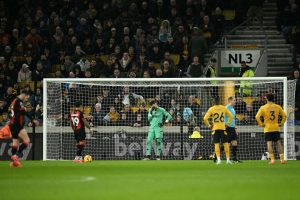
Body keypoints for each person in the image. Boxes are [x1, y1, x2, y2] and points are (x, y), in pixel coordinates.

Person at [255, 93, 287, 164]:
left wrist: (261, 124)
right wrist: (281, 123)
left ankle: (272, 160)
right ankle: (282, 159)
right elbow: (284, 115)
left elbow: (257, 116)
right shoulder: (278, 107)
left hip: (268, 128)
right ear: (273, 98)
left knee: (269, 144)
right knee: (278, 143)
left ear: (266, 98)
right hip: (276, 127)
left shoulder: (263, 107)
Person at [203, 96, 233, 165]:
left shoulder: (211, 109)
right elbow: (231, 116)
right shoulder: (223, 108)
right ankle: (228, 159)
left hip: (215, 129)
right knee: (225, 144)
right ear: (219, 101)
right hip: (222, 128)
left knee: (217, 144)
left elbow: (205, 118)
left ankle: (219, 160)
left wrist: (209, 125)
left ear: (213, 102)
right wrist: (227, 124)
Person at [8, 90, 31, 167]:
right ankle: (16, 156)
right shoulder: (19, 101)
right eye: (27, 97)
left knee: (15, 143)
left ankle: (14, 163)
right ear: (25, 95)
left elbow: (10, 112)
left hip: (11, 124)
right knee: (27, 141)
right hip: (17, 124)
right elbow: (23, 112)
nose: (27, 99)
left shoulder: (14, 101)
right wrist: (32, 119)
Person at [225, 96, 241, 163]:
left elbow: (233, 120)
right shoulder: (226, 108)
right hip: (227, 128)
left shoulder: (233, 109)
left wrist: (235, 128)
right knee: (227, 144)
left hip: (232, 128)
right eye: (234, 100)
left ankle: (234, 158)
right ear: (229, 101)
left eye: (235, 100)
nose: (235, 101)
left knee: (235, 143)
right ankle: (217, 154)